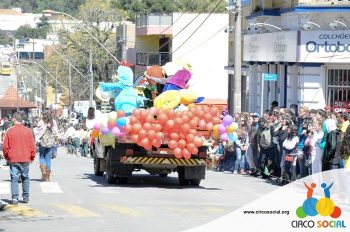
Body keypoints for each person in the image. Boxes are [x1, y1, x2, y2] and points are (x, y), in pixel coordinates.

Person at [2, 112, 36, 204]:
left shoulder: (10, 131)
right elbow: (33, 146)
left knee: (14, 178)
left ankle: (15, 198)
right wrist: (32, 157)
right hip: (25, 158)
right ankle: (25, 197)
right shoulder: (28, 131)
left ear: (14, 119)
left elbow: (5, 147)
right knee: (25, 177)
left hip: (13, 158)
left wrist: (6, 157)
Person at [36, 112, 58, 181]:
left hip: (42, 142)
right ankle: (47, 176)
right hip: (50, 143)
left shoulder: (41, 122)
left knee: (42, 157)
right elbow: (56, 132)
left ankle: (43, 172)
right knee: (48, 158)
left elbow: (37, 132)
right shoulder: (53, 122)